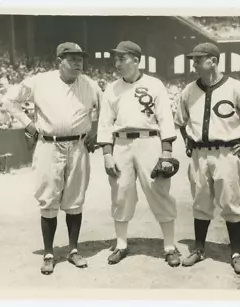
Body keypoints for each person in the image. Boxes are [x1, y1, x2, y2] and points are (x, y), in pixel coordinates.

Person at [0, 42, 102, 275]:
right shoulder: (40, 81)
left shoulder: (90, 84)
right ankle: (48, 253)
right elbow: (8, 100)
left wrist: (96, 132)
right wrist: (28, 124)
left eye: (80, 58)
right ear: (59, 60)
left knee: (75, 199)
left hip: (78, 145)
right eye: (72, 58)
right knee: (48, 199)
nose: (78, 63)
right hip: (48, 145)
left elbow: (107, 110)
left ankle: (74, 250)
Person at [174, 42, 240, 274]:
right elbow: (180, 121)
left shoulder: (237, 88)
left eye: (198, 60)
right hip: (199, 153)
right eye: (193, 60)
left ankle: (236, 253)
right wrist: (188, 140)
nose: (194, 64)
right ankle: (198, 249)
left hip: (227, 153)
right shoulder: (188, 90)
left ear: (213, 61)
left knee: (231, 204)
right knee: (200, 203)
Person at [97, 41, 181, 267]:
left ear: (136, 60)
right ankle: (121, 245)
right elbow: (104, 124)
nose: (117, 64)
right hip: (121, 144)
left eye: (121, 59)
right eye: (115, 59)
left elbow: (165, 119)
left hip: (149, 141)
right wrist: (107, 153)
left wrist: (166, 153)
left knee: (159, 190)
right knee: (120, 193)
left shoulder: (155, 85)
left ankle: (170, 246)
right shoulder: (111, 88)